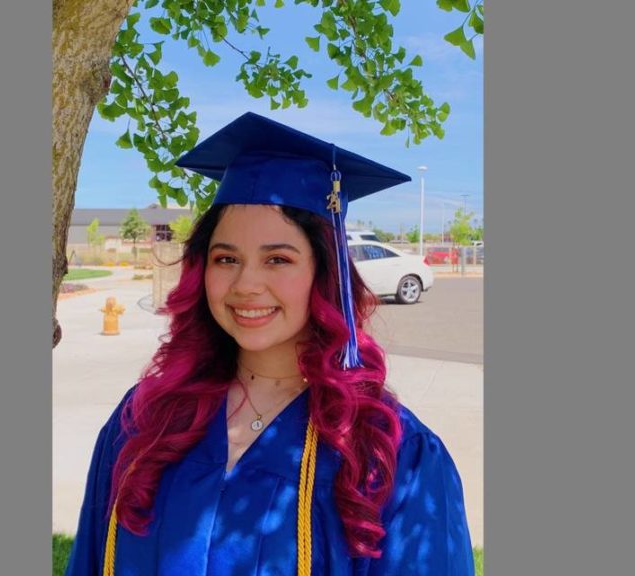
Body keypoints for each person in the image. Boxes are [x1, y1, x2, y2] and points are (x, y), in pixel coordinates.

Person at [65, 112, 474, 575]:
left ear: (325, 273)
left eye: (278, 259)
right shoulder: (145, 420)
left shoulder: (390, 452)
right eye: (226, 259)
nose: (246, 284)